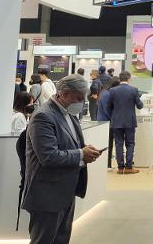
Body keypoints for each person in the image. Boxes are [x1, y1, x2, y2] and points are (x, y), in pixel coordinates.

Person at [23, 75, 101, 244]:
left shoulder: (69, 114)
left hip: (66, 191)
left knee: (61, 239)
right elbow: (48, 156)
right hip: (47, 194)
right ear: (64, 94)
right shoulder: (43, 117)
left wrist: (86, 151)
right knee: (43, 240)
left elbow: (72, 145)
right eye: (78, 98)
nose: (81, 102)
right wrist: (81, 154)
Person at [106, 70, 144, 175]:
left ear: (120, 78)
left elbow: (108, 107)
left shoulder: (112, 90)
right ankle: (128, 167)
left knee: (118, 144)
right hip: (129, 121)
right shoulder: (134, 90)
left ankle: (120, 167)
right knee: (130, 143)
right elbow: (140, 106)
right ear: (129, 78)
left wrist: (113, 117)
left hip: (116, 121)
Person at [97, 77, 120, 170]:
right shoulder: (107, 94)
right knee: (109, 144)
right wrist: (114, 119)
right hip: (106, 122)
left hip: (103, 121)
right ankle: (107, 165)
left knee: (107, 143)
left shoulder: (104, 92)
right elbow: (107, 110)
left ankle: (107, 164)